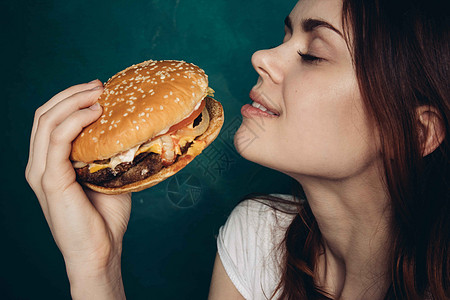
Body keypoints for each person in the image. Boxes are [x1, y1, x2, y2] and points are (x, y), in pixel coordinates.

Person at [26, 0, 449, 299]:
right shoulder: (259, 238)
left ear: (415, 133)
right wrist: (95, 266)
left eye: (313, 54)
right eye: (285, 35)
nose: (261, 56)